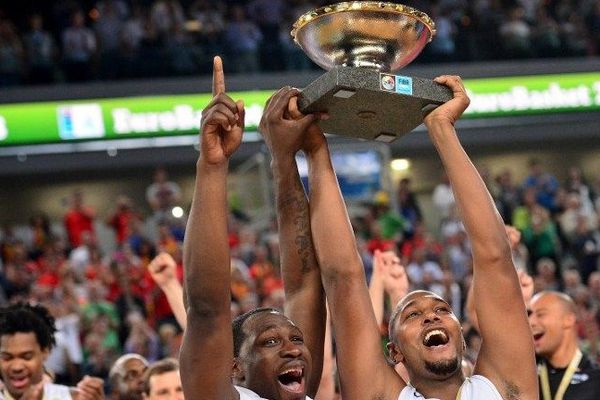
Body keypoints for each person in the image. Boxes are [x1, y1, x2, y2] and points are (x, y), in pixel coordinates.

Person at [300, 75, 537, 399]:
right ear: (394, 352)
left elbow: (495, 255)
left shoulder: (506, 387)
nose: (430, 315)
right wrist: (314, 149)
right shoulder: (381, 395)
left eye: (442, 311)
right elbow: (343, 279)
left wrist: (442, 129)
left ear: (462, 338)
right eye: (413, 315)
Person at [179, 57, 324, 400]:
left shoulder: (303, 390)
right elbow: (206, 309)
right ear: (234, 369)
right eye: (269, 342)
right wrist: (212, 165)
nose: (292, 349)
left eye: (296, 339)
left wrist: (284, 159)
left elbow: (305, 287)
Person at [0, 303, 104, 400]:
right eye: (7, 358)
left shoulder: (72, 397)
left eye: (27, 357)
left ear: (45, 352)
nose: (17, 367)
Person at [528, 291, 600, 400]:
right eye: (529, 315)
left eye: (540, 314)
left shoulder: (596, 379)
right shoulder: (526, 379)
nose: (530, 322)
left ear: (568, 320)